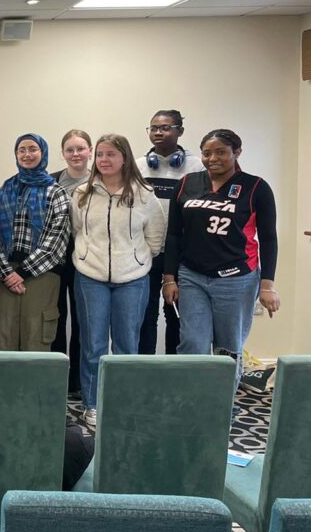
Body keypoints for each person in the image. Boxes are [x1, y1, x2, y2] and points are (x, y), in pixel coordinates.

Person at [163, 129, 279, 389]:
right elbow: (173, 235)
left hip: (236, 279)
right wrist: (168, 278)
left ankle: (222, 406)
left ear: (236, 153)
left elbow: (269, 239)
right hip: (192, 276)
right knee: (192, 343)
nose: (212, 158)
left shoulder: (256, 187)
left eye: (220, 152)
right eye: (206, 153)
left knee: (227, 348)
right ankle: (194, 403)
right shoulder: (186, 183)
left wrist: (268, 285)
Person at [70, 134, 165, 427]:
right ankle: (92, 404)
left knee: (127, 345)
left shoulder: (145, 194)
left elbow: (156, 238)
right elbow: (76, 230)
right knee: (93, 345)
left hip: (132, 279)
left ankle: (123, 403)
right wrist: (87, 255)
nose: (104, 160)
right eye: (99, 155)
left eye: (110, 154)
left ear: (124, 157)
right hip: (90, 277)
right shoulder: (82, 193)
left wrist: (134, 260)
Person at [0, 133, 71, 351]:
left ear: (43, 153)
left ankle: (34, 387)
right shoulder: (6, 189)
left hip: (41, 275)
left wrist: (23, 273)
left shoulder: (56, 192)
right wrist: (7, 273)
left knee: (36, 339)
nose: (27, 154)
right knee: (1, 337)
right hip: (5, 275)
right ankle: (0, 386)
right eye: (21, 150)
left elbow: (57, 240)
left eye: (32, 149)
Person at [136, 110, 204, 356]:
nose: (158, 133)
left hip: (181, 254)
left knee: (177, 315)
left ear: (180, 131)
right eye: (153, 128)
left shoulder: (197, 166)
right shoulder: (139, 165)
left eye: (165, 127)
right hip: (147, 252)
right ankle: (144, 371)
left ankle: (174, 372)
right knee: (146, 315)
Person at [50, 129, 93, 395]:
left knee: (82, 320)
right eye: (70, 149)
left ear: (90, 150)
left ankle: (77, 381)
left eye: (80, 148)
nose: (75, 154)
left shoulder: (101, 181)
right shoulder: (51, 181)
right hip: (54, 258)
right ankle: (57, 378)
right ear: (63, 153)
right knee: (55, 318)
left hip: (86, 259)